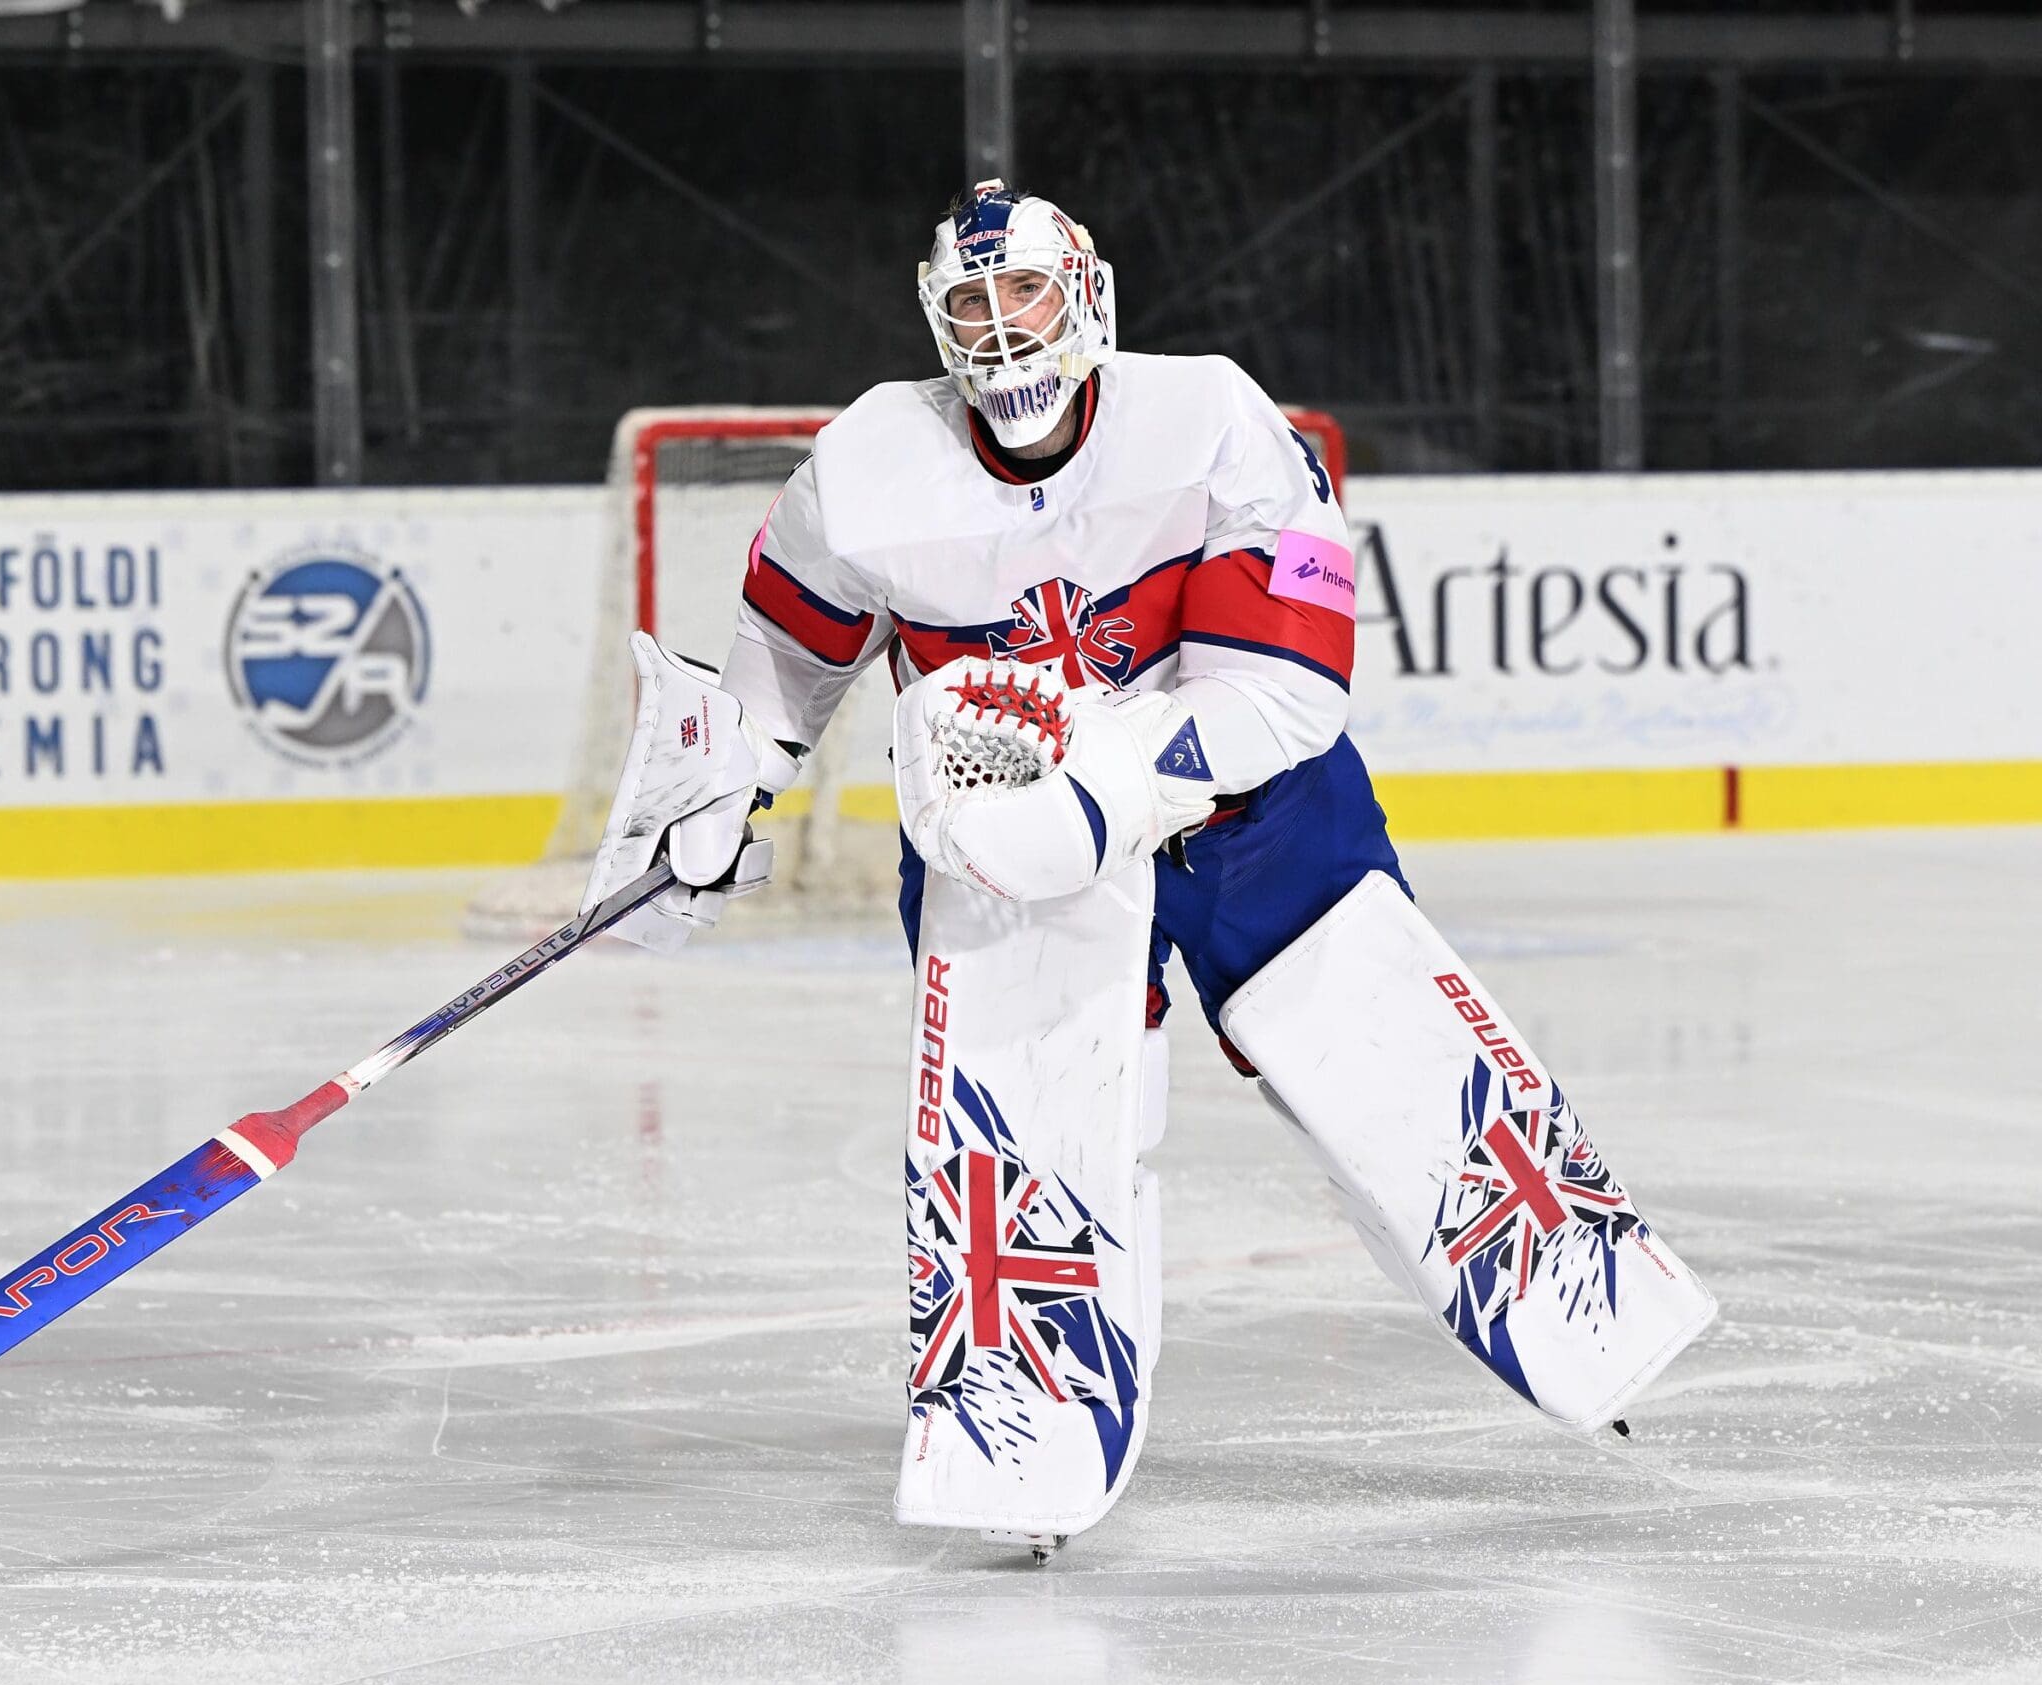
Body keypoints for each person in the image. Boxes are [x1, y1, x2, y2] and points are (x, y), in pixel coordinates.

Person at [584, 180, 1713, 1558]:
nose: (1001, 329)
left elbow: (1289, 685)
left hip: (1251, 819)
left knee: (1381, 1066)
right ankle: (1019, 1417)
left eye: (1024, 291)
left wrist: (1102, 788)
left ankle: (1575, 1307)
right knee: (1029, 1134)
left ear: (1089, 295)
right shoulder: (866, 467)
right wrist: (725, 784)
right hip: (1004, 857)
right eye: (970, 304)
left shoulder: (1212, 419)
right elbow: (785, 653)